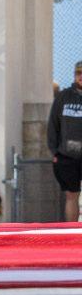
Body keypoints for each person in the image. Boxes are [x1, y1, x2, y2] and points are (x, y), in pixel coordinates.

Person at [48, 61, 82, 222]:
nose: (81, 76)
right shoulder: (63, 96)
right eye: (79, 73)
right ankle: (73, 233)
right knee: (71, 195)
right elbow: (53, 125)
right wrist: (55, 152)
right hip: (67, 156)